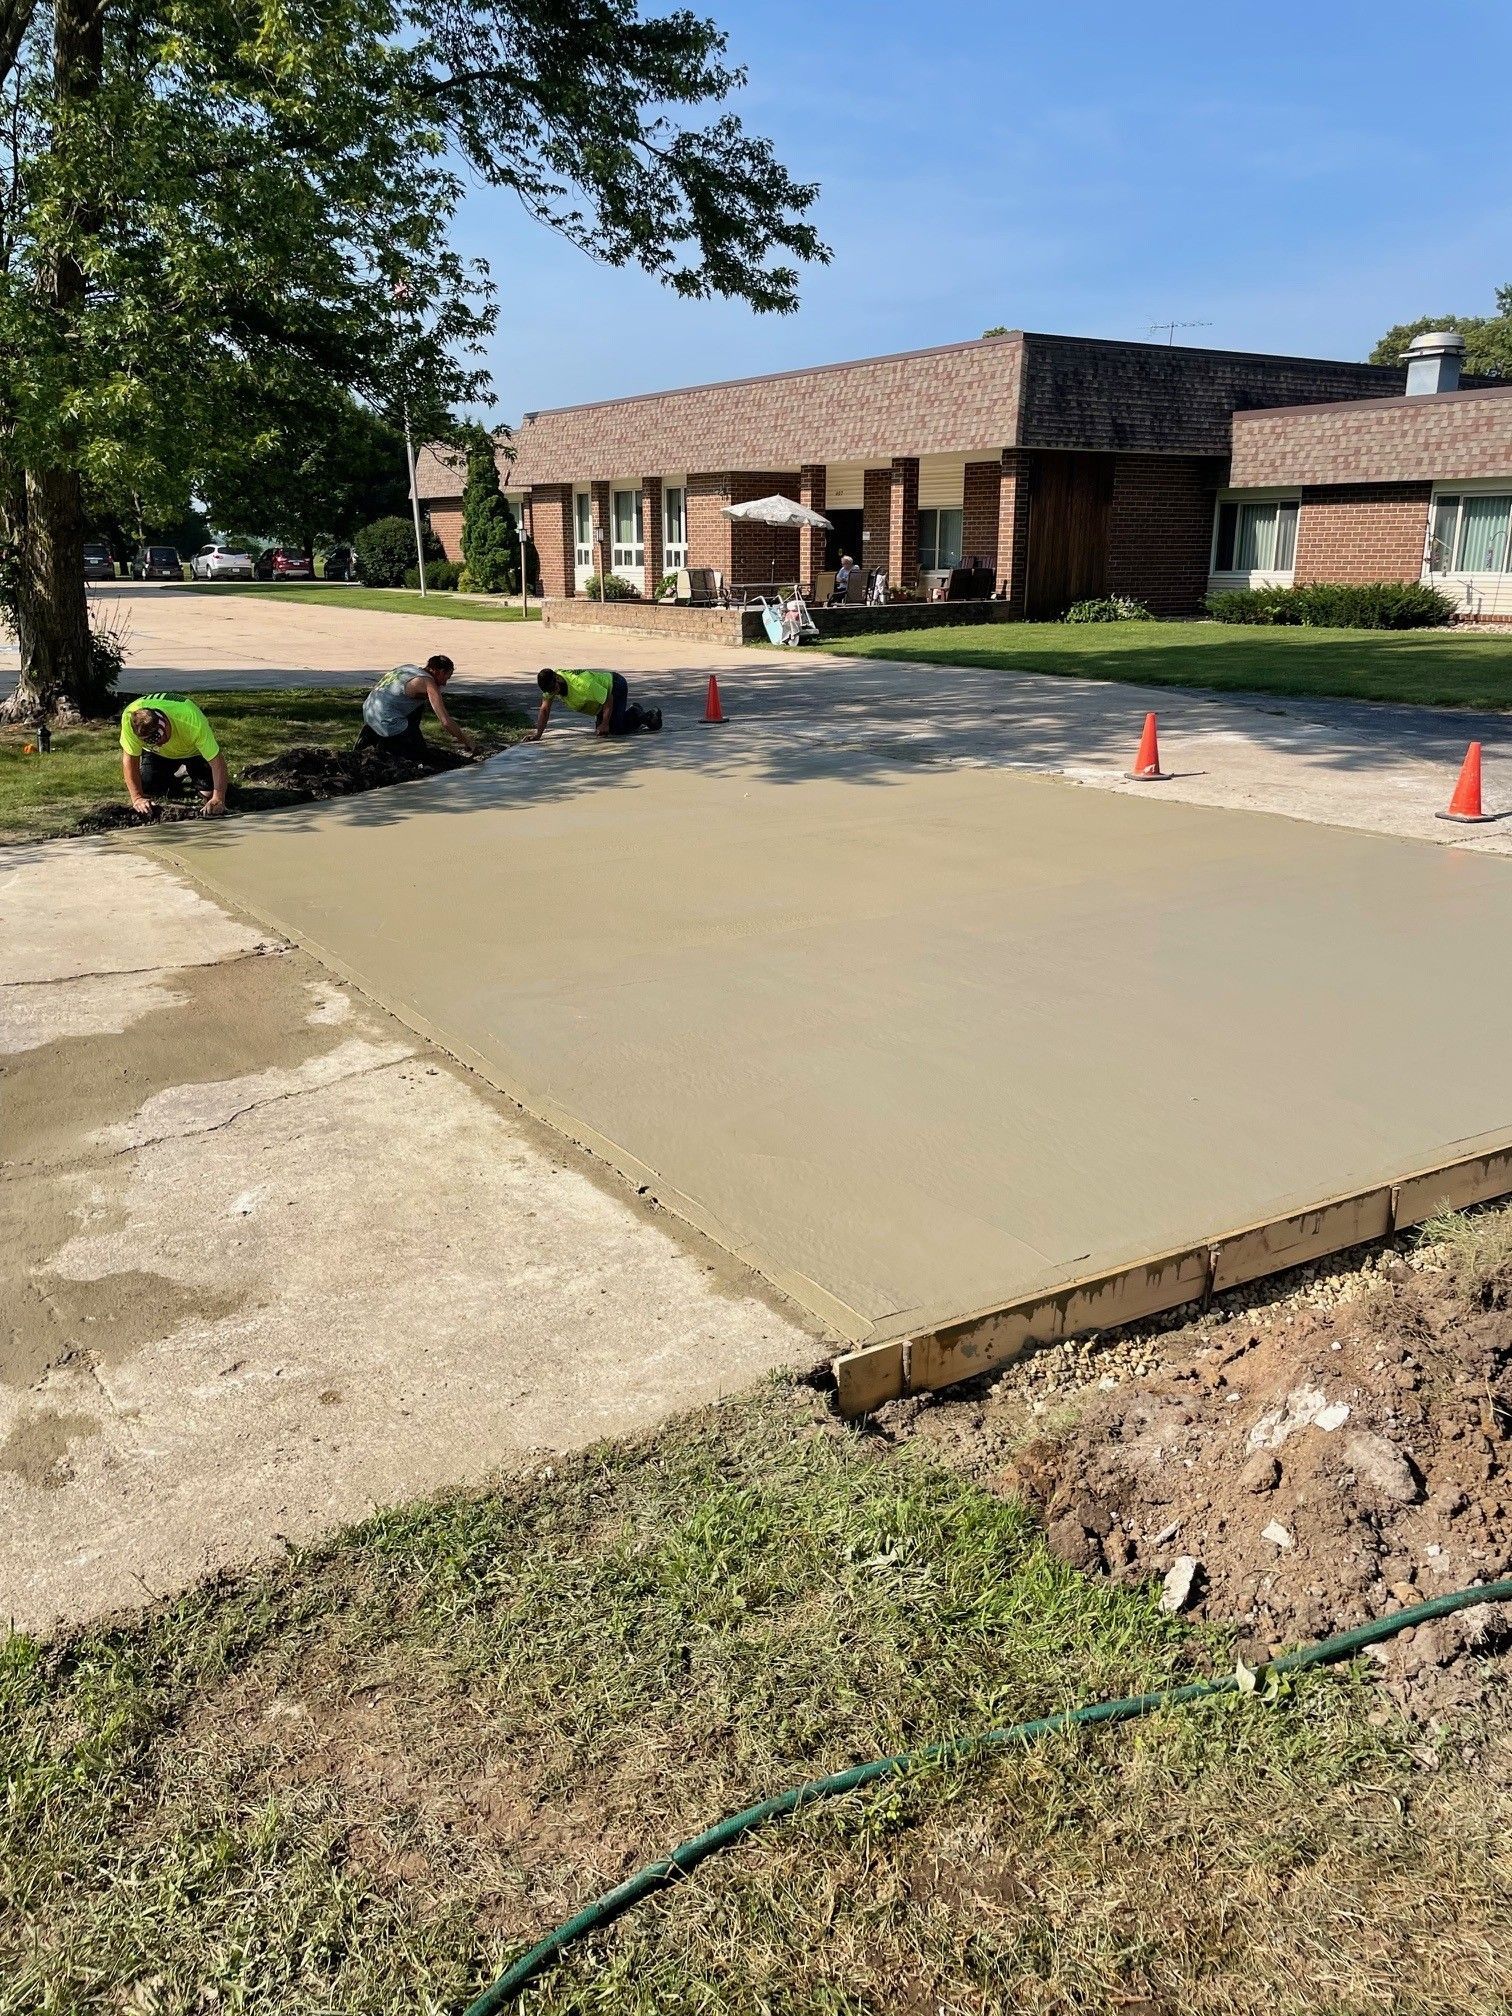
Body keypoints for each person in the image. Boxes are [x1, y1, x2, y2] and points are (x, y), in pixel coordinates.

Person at [120, 694, 228, 817]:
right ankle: (175, 777)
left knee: (208, 794)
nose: (159, 744)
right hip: (156, 754)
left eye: (160, 738)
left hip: (192, 752)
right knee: (150, 789)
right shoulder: (130, 719)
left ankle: (187, 770)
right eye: (153, 741)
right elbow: (130, 759)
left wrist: (218, 798)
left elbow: (216, 760)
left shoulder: (191, 719)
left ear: (165, 723)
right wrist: (137, 798)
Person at [358, 656, 475, 761]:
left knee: (419, 703)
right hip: (387, 721)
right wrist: (466, 741)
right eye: (446, 678)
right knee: (421, 757)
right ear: (440, 671)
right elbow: (445, 721)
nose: (444, 683)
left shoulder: (408, 669)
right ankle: (395, 744)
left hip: (369, 712)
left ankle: (381, 738)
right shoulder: (428, 683)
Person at [530, 667, 662, 741]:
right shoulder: (551, 686)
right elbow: (545, 710)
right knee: (603, 732)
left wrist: (605, 723)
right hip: (600, 701)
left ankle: (640, 714)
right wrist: (538, 734)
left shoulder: (582, 684)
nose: (553, 693)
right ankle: (623, 716)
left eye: (554, 689)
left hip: (615, 686)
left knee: (616, 729)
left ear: (557, 679)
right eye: (549, 691)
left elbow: (608, 699)